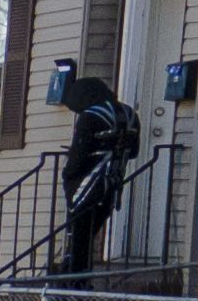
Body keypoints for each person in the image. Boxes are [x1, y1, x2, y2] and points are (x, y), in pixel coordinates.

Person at [56, 74, 140, 279]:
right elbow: (135, 151)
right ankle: (79, 279)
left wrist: (68, 174)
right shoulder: (129, 114)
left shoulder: (91, 116)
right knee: (89, 234)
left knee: (78, 237)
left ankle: (73, 284)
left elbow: (79, 153)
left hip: (86, 184)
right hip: (113, 182)